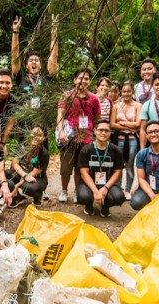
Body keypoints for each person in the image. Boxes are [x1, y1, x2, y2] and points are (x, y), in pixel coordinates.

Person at [56, 67, 100, 203]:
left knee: (80, 167)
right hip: (68, 137)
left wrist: (95, 135)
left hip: (86, 139)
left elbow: (97, 119)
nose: (83, 81)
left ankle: (77, 191)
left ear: (89, 81)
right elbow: (60, 116)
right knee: (65, 167)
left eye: (86, 78)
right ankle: (64, 191)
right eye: (80, 78)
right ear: (75, 80)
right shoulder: (67, 96)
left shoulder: (93, 98)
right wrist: (61, 132)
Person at [76, 120, 125, 217]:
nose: (103, 133)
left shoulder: (116, 150)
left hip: (107, 183)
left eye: (106, 130)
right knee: (83, 196)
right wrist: (95, 191)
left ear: (110, 132)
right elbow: (84, 173)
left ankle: (105, 206)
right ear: (95, 131)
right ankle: (89, 205)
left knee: (119, 197)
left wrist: (105, 188)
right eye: (100, 130)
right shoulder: (86, 149)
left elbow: (118, 172)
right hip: (89, 183)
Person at [11, 15, 59, 95]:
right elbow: (15, 56)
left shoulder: (46, 79)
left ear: (40, 66)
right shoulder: (21, 78)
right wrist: (15, 32)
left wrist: (54, 32)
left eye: (36, 60)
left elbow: (54, 57)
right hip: (24, 107)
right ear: (26, 66)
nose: (34, 62)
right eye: (31, 60)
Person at [109, 81, 141, 199]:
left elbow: (138, 124)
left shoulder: (138, 105)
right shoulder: (116, 106)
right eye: (124, 91)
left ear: (132, 91)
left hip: (132, 139)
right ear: (121, 92)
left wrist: (123, 123)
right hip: (119, 138)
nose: (126, 94)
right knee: (118, 163)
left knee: (129, 164)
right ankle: (117, 187)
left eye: (128, 91)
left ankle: (128, 189)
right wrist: (129, 126)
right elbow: (112, 124)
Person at [7, 127, 50, 207]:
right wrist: (24, 175)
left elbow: (34, 172)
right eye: (33, 134)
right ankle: (19, 197)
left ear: (43, 138)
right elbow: (14, 163)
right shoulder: (22, 146)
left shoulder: (44, 153)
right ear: (29, 135)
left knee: (28, 187)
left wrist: (17, 185)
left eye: (39, 135)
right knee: (6, 174)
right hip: (23, 173)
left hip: (37, 178)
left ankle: (37, 195)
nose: (36, 137)